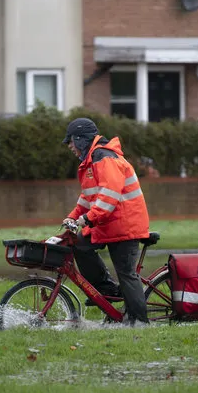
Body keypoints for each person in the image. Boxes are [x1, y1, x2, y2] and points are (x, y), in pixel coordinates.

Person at [62, 117, 150, 326]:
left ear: (82, 139)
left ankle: (139, 322)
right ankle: (107, 291)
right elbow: (88, 198)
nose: (70, 147)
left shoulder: (105, 158)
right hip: (109, 224)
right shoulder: (92, 161)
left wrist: (87, 219)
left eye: (72, 141)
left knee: (126, 273)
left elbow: (109, 196)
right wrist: (72, 216)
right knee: (79, 245)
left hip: (125, 226)